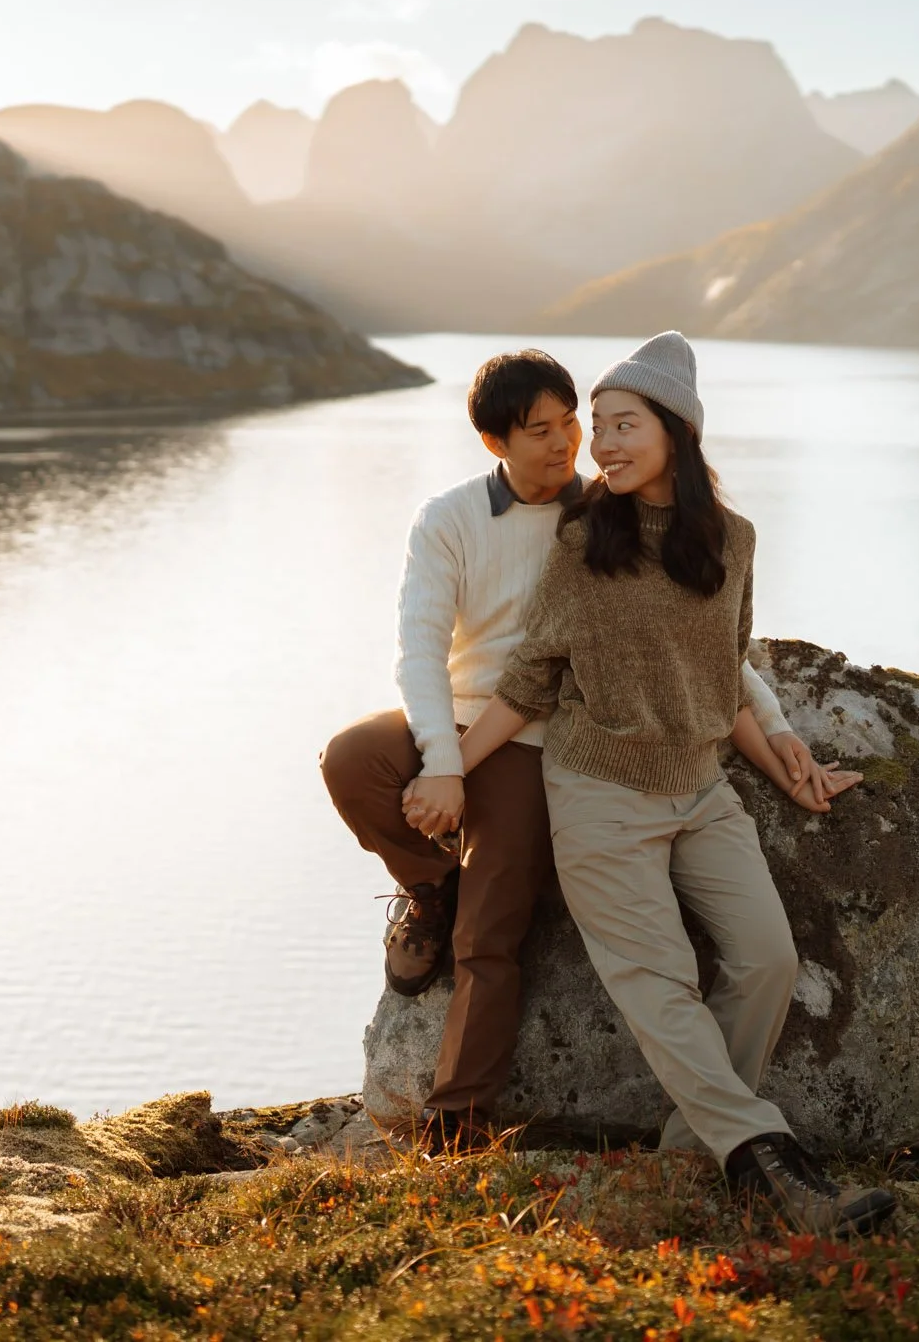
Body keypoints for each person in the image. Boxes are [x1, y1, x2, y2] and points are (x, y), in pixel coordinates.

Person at [319, 349, 834, 1147]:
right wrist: (444, 763)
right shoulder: (457, 519)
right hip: (475, 717)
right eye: (547, 431)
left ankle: (470, 1108)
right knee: (351, 758)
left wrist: (777, 733)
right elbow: (421, 650)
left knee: (494, 914)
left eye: (576, 426)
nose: (571, 446)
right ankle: (429, 888)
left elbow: (712, 650)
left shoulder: (609, 511)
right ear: (497, 442)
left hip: (541, 730)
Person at [456, 332, 895, 1235]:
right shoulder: (585, 543)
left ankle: (693, 1153)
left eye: (623, 425)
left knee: (768, 959)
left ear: (676, 432)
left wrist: (785, 760)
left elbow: (724, 671)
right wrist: (445, 773)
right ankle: (768, 1167)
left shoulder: (731, 540)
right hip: (599, 792)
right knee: (659, 982)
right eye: (598, 427)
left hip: (701, 789)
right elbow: (530, 676)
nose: (602, 445)